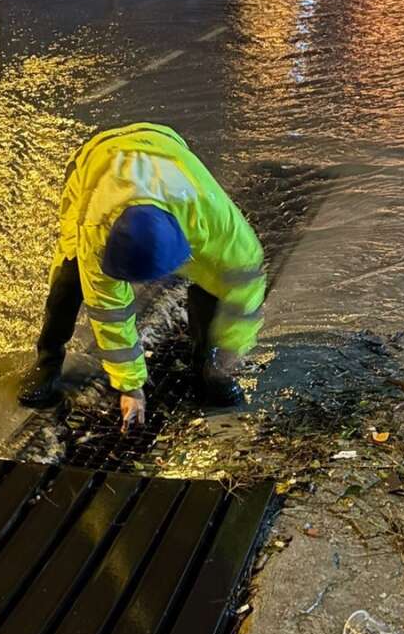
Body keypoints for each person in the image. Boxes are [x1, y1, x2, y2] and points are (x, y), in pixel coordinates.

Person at [18, 122, 266, 429]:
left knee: (215, 279)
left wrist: (231, 349)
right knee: (69, 280)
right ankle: (47, 361)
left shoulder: (212, 215)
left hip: (163, 145)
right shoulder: (96, 229)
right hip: (97, 158)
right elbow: (109, 311)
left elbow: (244, 285)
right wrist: (130, 386)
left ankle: (208, 362)